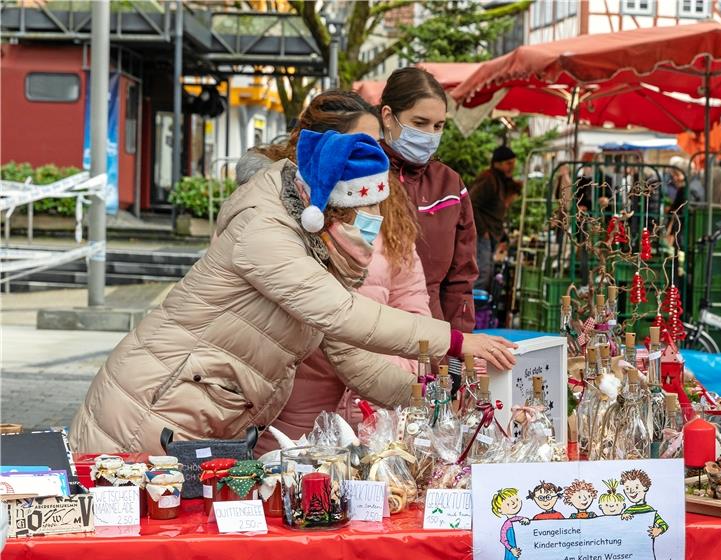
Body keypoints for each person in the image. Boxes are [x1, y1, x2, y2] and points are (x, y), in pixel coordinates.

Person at [70, 129, 515, 455]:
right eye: (363, 217)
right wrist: (455, 342)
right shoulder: (266, 233)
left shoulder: (312, 240)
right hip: (154, 409)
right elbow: (344, 314)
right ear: (325, 211)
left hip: (200, 411)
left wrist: (438, 393)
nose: (370, 229)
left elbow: (352, 356)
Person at [230, 91, 433, 453]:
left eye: (377, 149)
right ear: (323, 151)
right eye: (359, 148)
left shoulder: (388, 217)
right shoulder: (279, 221)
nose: (372, 159)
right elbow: (333, 326)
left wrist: (400, 370)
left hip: (372, 421)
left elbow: (412, 302)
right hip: (289, 424)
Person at [377, 67, 479, 341]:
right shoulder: (362, 175)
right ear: (388, 116)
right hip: (371, 332)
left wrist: (459, 345)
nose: (430, 135)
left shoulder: (449, 183)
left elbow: (461, 278)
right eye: (420, 123)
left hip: (433, 336)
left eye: (438, 126)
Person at [469, 145, 517, 291]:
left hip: (489, 235)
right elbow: (470, 203)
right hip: (482, 234)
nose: (512, 167)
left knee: (485, 274)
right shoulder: (489, 179)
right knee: (481, 274)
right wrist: (483, 230)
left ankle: (477, 311)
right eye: (509, 163)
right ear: (497, 163)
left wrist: (502, 235)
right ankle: (472, 311)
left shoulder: (499, 180)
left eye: (513, 163)